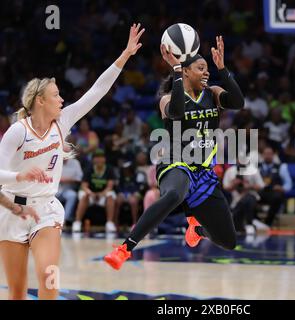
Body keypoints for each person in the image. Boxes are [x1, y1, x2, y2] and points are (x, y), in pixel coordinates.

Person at [0, 23, 144, 300]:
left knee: (49, 279)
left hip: (46, 210)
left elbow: (96, 91)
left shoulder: (62, 122)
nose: (63, 99)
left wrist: (125, 55)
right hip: (12, 213)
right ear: (40, 101)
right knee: (16, 293)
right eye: (56, 95)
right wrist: (19, 177)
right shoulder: (18, 131)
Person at [104, 35, 245, 270]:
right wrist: (177, 71)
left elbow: (238, 102)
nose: (206, 73)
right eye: (201, 68)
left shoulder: (213, 93)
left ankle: (196, 228)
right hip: (174, 161)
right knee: (174, 195)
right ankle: (125, 249)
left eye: (208, 69)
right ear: (186, 72)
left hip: (203, 171)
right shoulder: (167, 99)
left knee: (229, 241)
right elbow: (178, 112)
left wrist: (223, 67)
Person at [72, 149, 117, 233]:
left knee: (110, 196)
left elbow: (110, 186)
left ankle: (110, 223)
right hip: (90, 194)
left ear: (104, 159)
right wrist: (91, 193)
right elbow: (84, 186)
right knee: (85, 195)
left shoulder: (109, 169)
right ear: (93, 159)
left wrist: (101, 194)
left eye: (101, 157)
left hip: (103, 194)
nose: (99, 159)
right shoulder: (88, 169)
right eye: (97, 157)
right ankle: (77, 222)